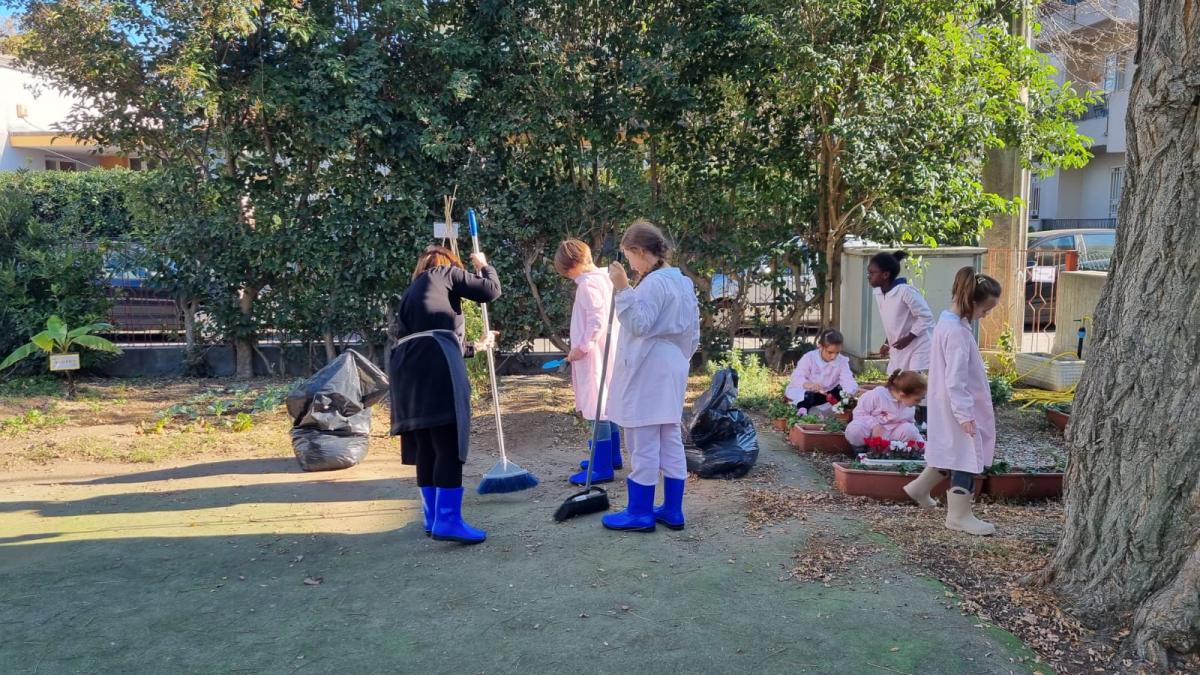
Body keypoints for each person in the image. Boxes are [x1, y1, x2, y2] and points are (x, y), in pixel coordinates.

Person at [388, 245, 500, 545]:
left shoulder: (413, 291)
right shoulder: (445, 273)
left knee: (427, 444)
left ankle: (433, 517)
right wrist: (483, 266)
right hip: (435, 364)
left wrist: (478, 346)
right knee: (448, 443)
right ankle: (448, 520)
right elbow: (490, 291)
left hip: (406, 367)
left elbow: (436, 337)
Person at [602, 220, 700, 532]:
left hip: (648, 367)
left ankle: (639, 512)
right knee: (669, 437)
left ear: (641, 251)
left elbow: (640, 323)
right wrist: (679, 360)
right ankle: (673, 510)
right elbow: (693, 333)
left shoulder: (654, 283)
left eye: (629, 255)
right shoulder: (682, 281)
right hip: (672, 365)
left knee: (642, 438)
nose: (629, 264)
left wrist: (622, 288)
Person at [902, 267, 1002, 536]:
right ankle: (959, 516)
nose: (986, 315)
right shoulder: (957, 332)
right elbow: (956, 380)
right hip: (959, 405)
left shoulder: (947, 322)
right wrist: (965, 415)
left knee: (950, 449)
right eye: (985, 309)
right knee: (964, 458)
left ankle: (919, 488)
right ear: (971, 302)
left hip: (946, 403)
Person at [553, 239, 622, 485]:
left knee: (596, 407)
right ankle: (612, 456)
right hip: (609, 351)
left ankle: (601, 467)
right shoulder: (605, 278)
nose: (567, 277)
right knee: (607, 403)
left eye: (565, 272)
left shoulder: (587, 285)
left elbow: (596, 320)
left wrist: (581, 348)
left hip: (594, 355)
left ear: (571, 266)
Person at [868, 251, 934, 373]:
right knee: (895, 381)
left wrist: (909, 338)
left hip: (919, 347)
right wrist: (887, 343)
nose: (869, 276)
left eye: (872, 273)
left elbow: (926, 317)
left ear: (885, 274)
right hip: (899, 348)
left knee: (913, 382)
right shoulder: (878, 293)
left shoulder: (905, 291)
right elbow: (892, 322)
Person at [844, 370, 926, 446]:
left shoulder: (909, 407)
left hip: (891, 435)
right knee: (855, 430)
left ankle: (893, 449)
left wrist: (922, 445)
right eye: (917, 400)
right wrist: (874, 425)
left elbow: (911, 427)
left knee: (910, 431)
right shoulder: (877, 394)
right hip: (870, 431)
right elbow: (859, 413)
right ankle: (862, 447)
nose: (919, 403)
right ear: (902, 395)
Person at [785, 329, 858, 415]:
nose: (833, 357)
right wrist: (809, 385)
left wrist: (849, 393)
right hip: (806, 391)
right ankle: (805, 407)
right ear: (820, 346)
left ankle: (813, 408)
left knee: (840, 393)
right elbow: (797, 377)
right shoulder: (809, 358)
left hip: (827, 393)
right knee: (807, 396)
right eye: (830, 352)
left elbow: (848, 380)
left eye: (837, 353)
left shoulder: (842, 361)